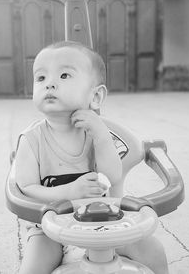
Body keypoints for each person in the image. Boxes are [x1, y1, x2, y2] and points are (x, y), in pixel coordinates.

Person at [15, 41, 168, 274]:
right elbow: (26, 188)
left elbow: (113, 176)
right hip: (50, 229)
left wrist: (102, 137)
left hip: (107, 221)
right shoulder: (31, 140)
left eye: (64, 75)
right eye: (41, 78)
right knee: (32, 268)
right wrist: (66, 194)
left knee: (153, 250)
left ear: (95, 97)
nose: (50, 84)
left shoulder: (98, 135)